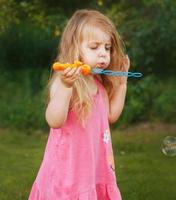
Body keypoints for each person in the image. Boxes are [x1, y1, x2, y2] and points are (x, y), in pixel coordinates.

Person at [28, 9, 129, 200]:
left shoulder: (99, 85)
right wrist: (66, 87)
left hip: (93, 171)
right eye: (94, 47)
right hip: (68, 174)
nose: (103, 54)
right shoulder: (65, 83)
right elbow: (54, 120)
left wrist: (122, 84)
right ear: (75, 49)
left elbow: (111, 116)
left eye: (107, 48)